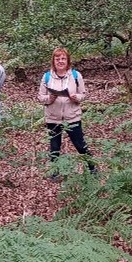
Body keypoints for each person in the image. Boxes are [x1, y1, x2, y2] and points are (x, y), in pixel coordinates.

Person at [37, 47, 96, 179]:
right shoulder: (47, 77)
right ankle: (55, 171)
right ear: (53, 61)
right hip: (53, 117)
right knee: (54, 147)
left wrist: (76, 97)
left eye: (63, 58)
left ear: (68, 60)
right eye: (57, 59)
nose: (60, 61)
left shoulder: (75, 75)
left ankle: (92, 167)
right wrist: (49, 98)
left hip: (72, 116)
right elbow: (40, 97)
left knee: (80, 145)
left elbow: (83, 94)